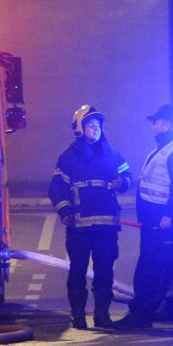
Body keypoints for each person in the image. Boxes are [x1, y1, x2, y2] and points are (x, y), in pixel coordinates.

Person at [49, 104, 132, 329]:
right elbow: (57, 188)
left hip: (106, 228)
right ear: (79, 128)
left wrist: (123, 182)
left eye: (98, 126)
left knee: (105, 273)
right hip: (79, 228)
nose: (95, 130)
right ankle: (78, 316)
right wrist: (65, 211)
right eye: (90, 126)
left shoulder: (112, 154)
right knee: (77, 272)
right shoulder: (68, 157)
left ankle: (102, 316)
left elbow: (127, 176)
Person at [115, 104, 173, 329]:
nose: (153, 127)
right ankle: (141, 311)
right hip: (155, 219)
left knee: (154, 267)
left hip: (164, 221)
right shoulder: (168, 147)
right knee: (148, 264)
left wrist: (169, 215)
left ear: (168, 124)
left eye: (156, 123)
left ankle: (143, 314)